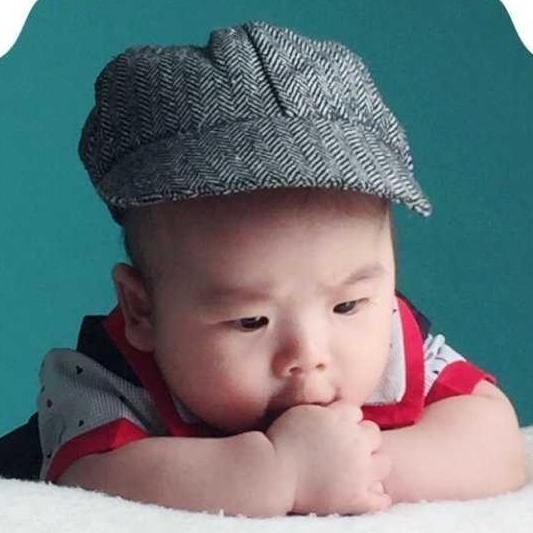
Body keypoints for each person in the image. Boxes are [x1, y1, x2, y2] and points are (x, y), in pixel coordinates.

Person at [0, 19, 527, 517]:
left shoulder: (389, 339)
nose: (308, 355)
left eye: (346, 305)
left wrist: (367, 464)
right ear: (143, 310)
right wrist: (282, 472)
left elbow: (495, 439)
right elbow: (92, 479)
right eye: (251, 320)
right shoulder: (107, 379)